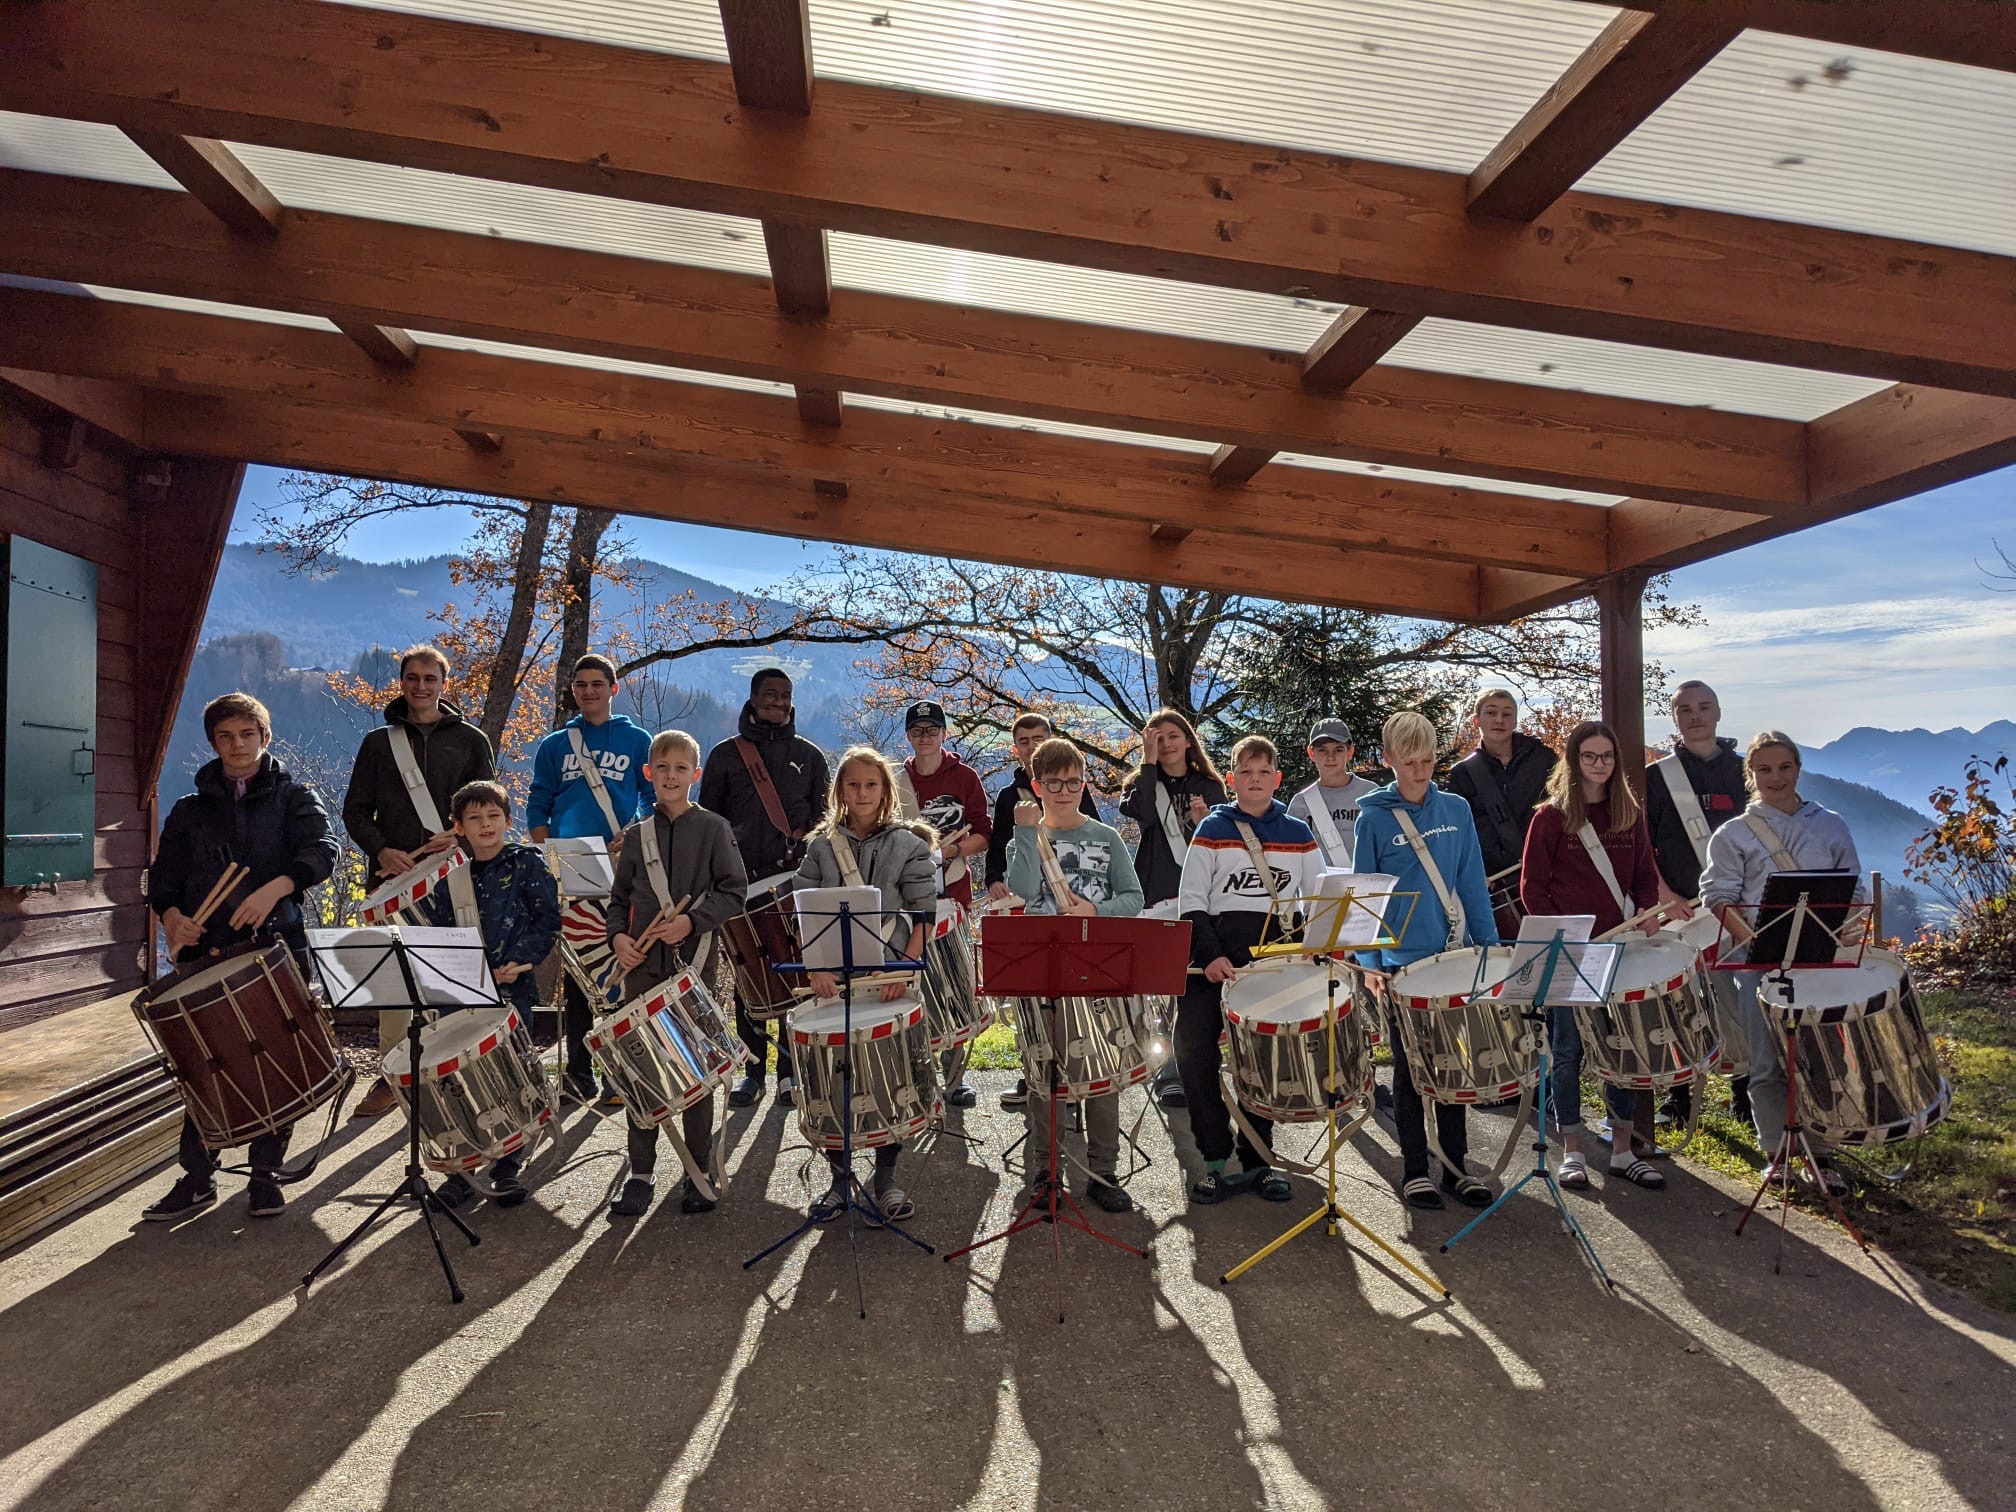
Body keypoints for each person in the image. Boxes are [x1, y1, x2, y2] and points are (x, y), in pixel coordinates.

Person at [143, 693, 339, 1221]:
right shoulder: (190, 810)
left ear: (264, 738)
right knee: (204, 1065)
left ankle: (264, 1175)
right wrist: (172, 917)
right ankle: (197, 1177)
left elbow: (324, 851)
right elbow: (164, 878)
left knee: (277, 1061)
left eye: (247, 734)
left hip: (274, 945)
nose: (237, 745)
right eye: (226, 736)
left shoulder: (294, 797)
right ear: (213, 742)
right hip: (206, 949)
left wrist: (276, 888)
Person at [1519, 721, 1688, 1193]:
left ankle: (1622, 1150)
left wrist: (1645, 915)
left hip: (1620, 947)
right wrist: (1565, 937)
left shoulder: (1627, 814)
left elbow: (1644, 876)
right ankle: (1572, 1150)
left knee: (1622, 1049)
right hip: (1571, 952)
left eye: (1607, 756)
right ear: (1573, 761)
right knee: (1568, 1052)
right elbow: (1533, 889)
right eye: (1590, 756)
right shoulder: (1549, 818)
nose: (1599, 764)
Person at [1700, 731, 1867, 1197]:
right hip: (1760, 962)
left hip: (1820, 960)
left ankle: (1822, 1154)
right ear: (1751, 775)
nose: (1776, 777)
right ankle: (1778, 1154)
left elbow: (1853, 887)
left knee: (1822, 1058)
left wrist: (1839, 928)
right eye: (1764, 769)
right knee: (1767, 1058)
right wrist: (1756, 943)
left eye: (1784, 767)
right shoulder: (1733, 834)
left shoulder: (1830, 824)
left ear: (1798, 768)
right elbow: (1718, 895)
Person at [341, 644, 497, 1119]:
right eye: (413, 678)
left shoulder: (471, 741)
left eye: (430, 679)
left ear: (444, 685)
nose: (421, 686)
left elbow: (487, 807)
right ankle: (394, 1074)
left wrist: (457, 835)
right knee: (395, 981)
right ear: (402, 683)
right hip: (393, 875)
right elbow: (354, 811)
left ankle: (459, 1071)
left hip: (454, 874)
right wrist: (381, 850)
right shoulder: (378, 743)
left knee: (452, 975)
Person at [1354, 710, 1500, 1210]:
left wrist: (1490, 948)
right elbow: (1365, 897)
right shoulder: (1373, 818)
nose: (1420, 771)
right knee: (1411, 1069)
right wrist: (1370, 962)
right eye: (1410, 762)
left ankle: (1457, 1168)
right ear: (1389, 760)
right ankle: (1415, 1169)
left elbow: (1472, 881)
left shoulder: (1456, 809)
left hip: (1453, 956)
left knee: (1454, 1067)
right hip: (1401, 964)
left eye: (1428, 760)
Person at [1175, 735, 1324, 1205]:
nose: (1255, 780)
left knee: (1264, 1060)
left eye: (1263, 773)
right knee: (1194, 1051)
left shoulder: (1298, 833)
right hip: (1212, 962)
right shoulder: (1212, 829)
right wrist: (1210, 955)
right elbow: (1192, 899)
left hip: (1273, 964)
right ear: (1231, 778)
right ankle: (1214, 1160)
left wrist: (1313, 948)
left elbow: (1317, 899)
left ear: (1277, 779)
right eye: (1245, 772)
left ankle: (1258, 1158)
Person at [605, 732, 749, 1219]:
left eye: (681, 768)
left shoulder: (713, 828)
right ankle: (640, 1173)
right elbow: (618, 902)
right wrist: (617, 939)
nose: (671, 776)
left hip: (695, 969)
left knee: (696, 1071)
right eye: (662, 768)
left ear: (695, 775)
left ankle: (697, 1169)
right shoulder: (636, 836)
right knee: (642, 1069)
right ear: (649, 774)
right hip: (641, 973)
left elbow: (734, 892)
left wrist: (692, 921)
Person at [795, 747, 937, 1224]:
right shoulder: (820, 846)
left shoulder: (909, 844)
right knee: (834, 1080)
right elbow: (804, 912)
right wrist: (816, 968)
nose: (861, 793)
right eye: (852, 785)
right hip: (834, 981)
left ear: (885, 791)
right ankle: (840, 1183)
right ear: (840, 790)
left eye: (871, 785)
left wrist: (905, 968)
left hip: (888, 978)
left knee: (889, 1080)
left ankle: (887, 1180)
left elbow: (923, 913)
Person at [1006, 736, 1146, 1214]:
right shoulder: (1025, 837)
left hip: (1097, 970)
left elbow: (1133, 898)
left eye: (1072, 782)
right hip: (1043, 970)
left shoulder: (1105, 838)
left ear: (1084, 784)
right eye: (1053, 783)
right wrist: (1026, 832)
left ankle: (1103, 1173)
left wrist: (1096, 910)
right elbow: (1023, 892)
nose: (1063, 791)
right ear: (1036, 786)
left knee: (1103, 1073)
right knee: (1044, 1076)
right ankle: (1045, 1174)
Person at [416, 779, 562, 1209]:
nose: (485, 825)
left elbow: (547, 919)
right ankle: (463, 1171)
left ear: (508, 821)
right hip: (461, 993)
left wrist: (522, 961)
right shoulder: (450, 875)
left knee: (511, 1078)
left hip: (513, 989)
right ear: (458, 827)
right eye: (475, 818)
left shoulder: (526, 863)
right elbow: (440, 932)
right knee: (460, 1084)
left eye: (494, 816)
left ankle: (507, 1167)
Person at [699, 667, 830, 1110]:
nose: (778, 701)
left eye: (785, 695)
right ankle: (753, 1072)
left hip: (794, 881)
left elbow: (824, 819)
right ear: (753, 698)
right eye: (770, 694)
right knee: (747, 976)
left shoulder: (809, 756)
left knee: (796, 978)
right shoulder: (725, 756)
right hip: (741, 882)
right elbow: (710, 821)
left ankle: (790, 1073)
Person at [527, 654, 654, 1107]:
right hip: (573, 861)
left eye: (597, 684)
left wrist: (635, 834)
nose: (588, 691)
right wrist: (547, 850)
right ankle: (579, 1074)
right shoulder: (555, 745)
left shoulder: (637, 740)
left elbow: (652, 798)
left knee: (621, 964)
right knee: (580, 971)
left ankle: (620, 1074)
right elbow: (538, 800)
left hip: (622, 862)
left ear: (613, 688)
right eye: (581, 685)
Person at [1642, 679, 1754, 1125]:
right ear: (1674, 717)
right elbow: (1641, 845)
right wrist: (1662, 895)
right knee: (1680, 1002)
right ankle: (1678, 1095)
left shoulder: (1745, 772)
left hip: (1734, 908)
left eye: (1704, 707)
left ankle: (1744, 1089)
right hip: (1680, 908)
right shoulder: (1656, 777)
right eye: (1685, 709)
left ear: (1718, 712)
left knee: (1739, 1000)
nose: (1695, 716)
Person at [984, 711, 1098, 1109]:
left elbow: (1091, 831)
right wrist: (993, 879)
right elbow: (998, 845)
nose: (1032, 746)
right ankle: (1032, 1074)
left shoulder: (1073, 786)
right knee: (1030, 994)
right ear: (1015, 749)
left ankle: (1076, 1072)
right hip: (1029, 902)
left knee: (1071, 992)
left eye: (1039, 738)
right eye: (1024, 741)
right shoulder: (1008, 796)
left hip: (1070, 903)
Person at [1118, 708, 1226, 1108]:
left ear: (1188, 740)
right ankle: (1168, 1069)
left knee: (1196, 985)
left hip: (1201, 895)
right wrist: (1147, 764)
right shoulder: (1142, 784)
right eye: (1157, 737)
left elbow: (1222, 842)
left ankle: (1197, 1062)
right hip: (1157, 892)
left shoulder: (1209, 786)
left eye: (1173, 735)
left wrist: (1202, 824)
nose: (1166, 744)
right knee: (1163, 986)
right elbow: (1145, 815)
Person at [895, 699, 992, 1108]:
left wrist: (951, 851)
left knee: (954, 983)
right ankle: (921, 1075)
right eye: (917, 731)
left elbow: (984, 832)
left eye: (932, 730)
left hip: (953, 890)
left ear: (944, 733)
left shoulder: (965, 776)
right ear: (908, 736)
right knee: (916, 984)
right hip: (908, 895)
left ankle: (954, 1078)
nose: (925, 737)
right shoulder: (896, 780)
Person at [1444, 688, 1559, 935]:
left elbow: (1563, 813)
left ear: (1515, 721)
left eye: (1507, 714)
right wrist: (1476, 874)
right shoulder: (1462, 774)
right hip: (1495, 885)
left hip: (1544, 876)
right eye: (1491, 713)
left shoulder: (1544, 760)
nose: (1499, 720)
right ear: (1477, 720)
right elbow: (1458, 833)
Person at [1286, 717, 1380, 871]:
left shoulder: (1371, 794)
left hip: (1366, 883)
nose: (1330, 757)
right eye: (1322, 750)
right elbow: (1291, 856)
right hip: (1318, 885)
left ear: (1350, 752)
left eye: (1338, 749)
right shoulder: (1301, 803)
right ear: (1311, 753)